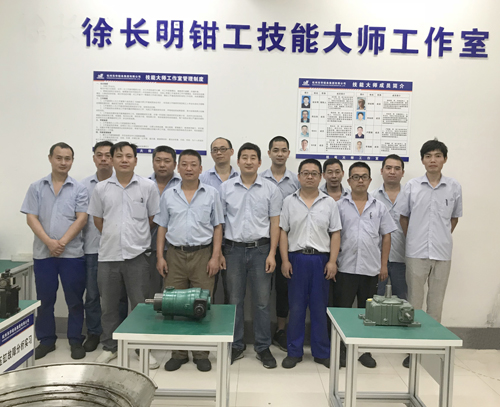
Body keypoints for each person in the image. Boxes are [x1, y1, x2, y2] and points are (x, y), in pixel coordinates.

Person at [88, 141, 160, 369]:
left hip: (138, 256)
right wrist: (115, 236)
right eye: (119, 156)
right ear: (112, 160)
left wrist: (134, 237)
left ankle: (142, 349)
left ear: (136, 160)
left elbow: (152, 219)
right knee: (108, 306)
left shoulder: (147, 186)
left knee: (140, 306)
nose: (124, 160)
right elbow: (98, 220)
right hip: (108, 256)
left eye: (129, 156)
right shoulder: (101, 188)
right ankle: (110, 347)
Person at [155, 149, 224, 372]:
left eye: (193, 164)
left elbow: (218, 226)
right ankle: (179, 353)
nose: (188, 168)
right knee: (174, 304)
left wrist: (215, 256)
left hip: (203, 254)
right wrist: (160, 256)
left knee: (201, 304)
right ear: (178, 168)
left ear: (201, 168)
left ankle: (201, 353)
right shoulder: (169, 194)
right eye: (184, 164)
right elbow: (162, 227)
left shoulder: (212, 193)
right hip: (175, 255)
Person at [21, 142, 88, 360]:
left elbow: (82, 218)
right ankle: (46, 340)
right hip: (44, 254)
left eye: (67, 158)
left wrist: (62, 242)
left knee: (75, 300)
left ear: (72, 161)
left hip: (72, 255)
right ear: (50, 158)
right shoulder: (36, 187)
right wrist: (49, 242)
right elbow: (31, 218)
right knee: (45, 299)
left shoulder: (79, 188)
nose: (63, 162)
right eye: (59, 158)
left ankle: (75, 340)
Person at [220, 142, 282, 369]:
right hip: (233, 250)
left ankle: (263, 347)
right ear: (237, 161)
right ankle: (236, 345)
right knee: (234, 301)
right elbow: (220, 223)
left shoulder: (270, 189)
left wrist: (272, 254)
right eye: (244, 157)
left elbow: (275, 223)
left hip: (261, 251)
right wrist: (220, 252)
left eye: (252, 157)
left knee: (263, 302)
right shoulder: (225, 188)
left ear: (259, 162)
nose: (248, 161)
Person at [280, 159, 341, 369]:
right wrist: (285, 260)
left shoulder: (329, 203)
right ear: (298, 176)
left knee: (319, 308)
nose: (309, 177)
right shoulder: (289, 201)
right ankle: (294, 351)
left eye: (314, 173)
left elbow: (335, 234)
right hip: (296, 259)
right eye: (305, 173)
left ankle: (321, 352)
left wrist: (332, 261)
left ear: (320, 177)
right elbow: (283, 232)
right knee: (296, 307)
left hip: (320, 260)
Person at [334, 162, 396, 369]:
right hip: (345, 268)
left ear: (369, 180)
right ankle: (341, 349)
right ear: (348, 180)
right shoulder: (339, 206)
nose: (360, 180)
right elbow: (333, 235)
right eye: (355, 177)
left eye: (364, 177)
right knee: (343, 311)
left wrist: (383, 265)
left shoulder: (379, 207)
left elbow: (386, 236)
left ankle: (363, 350)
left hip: (370, 269)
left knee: (367, 312)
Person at [400, 139, 462, 324]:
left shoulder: (454, 187)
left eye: (437, 156)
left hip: (442, 252)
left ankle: (433, 339)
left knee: (436, 302)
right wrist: (413, 237)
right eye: (428, 156)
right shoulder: (412, 186)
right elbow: (403, 217)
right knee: (413, 301)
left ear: (445, 159)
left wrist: (441, 237)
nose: (433, 160)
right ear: (422, 160)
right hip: (416, 252)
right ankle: (412, 340)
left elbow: (454, 218)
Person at [81, 141, 127, 353]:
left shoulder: (124, 184)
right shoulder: (84, 186)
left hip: (118, 251)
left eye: (108, 155)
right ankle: (94, 332)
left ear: (114, 158)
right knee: (92, 295)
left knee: (118, 298)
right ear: (94, 158)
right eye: (99, 155)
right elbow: (89, 219)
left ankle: (119, 335)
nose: (104, 159)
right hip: (93, 249)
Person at [261, 136, 300, 352]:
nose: (279, 154)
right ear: (269, 153)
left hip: (288, 243)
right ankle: (261, 331)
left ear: (288, 153)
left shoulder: (295, 181)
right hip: (264, 243)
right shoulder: (259, 179)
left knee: (284, 288)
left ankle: (281, 330)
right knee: (263, 289)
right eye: (275, 150)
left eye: (283, 150)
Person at [200, 137, 239, 305]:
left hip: (234, 244)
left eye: (223, 149)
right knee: (207, 290)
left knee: (233, 292)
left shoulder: (241, 177)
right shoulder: (202, 179)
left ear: (231, 152)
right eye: (215, 150)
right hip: (208, 244)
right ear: (211, 154)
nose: (219, 153)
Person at [148, 145, 181, 298]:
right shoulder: (144, 184)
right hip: (147, 249)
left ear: (174, 164)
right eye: (158, 160)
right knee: (151, 293)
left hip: (175, 250)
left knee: (173, 295)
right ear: (153, 162)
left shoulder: (183, 185)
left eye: (167, 161)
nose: (162, 165)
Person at [374, 154, 407, 300]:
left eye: (397, 168)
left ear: (402, 172)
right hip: (377, 259)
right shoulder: (371, 197)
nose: (392, 172)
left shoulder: (410, 196)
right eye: (388, 168)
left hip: (403, 258)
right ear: (382, 171)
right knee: (376, 299)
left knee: (403, 300)